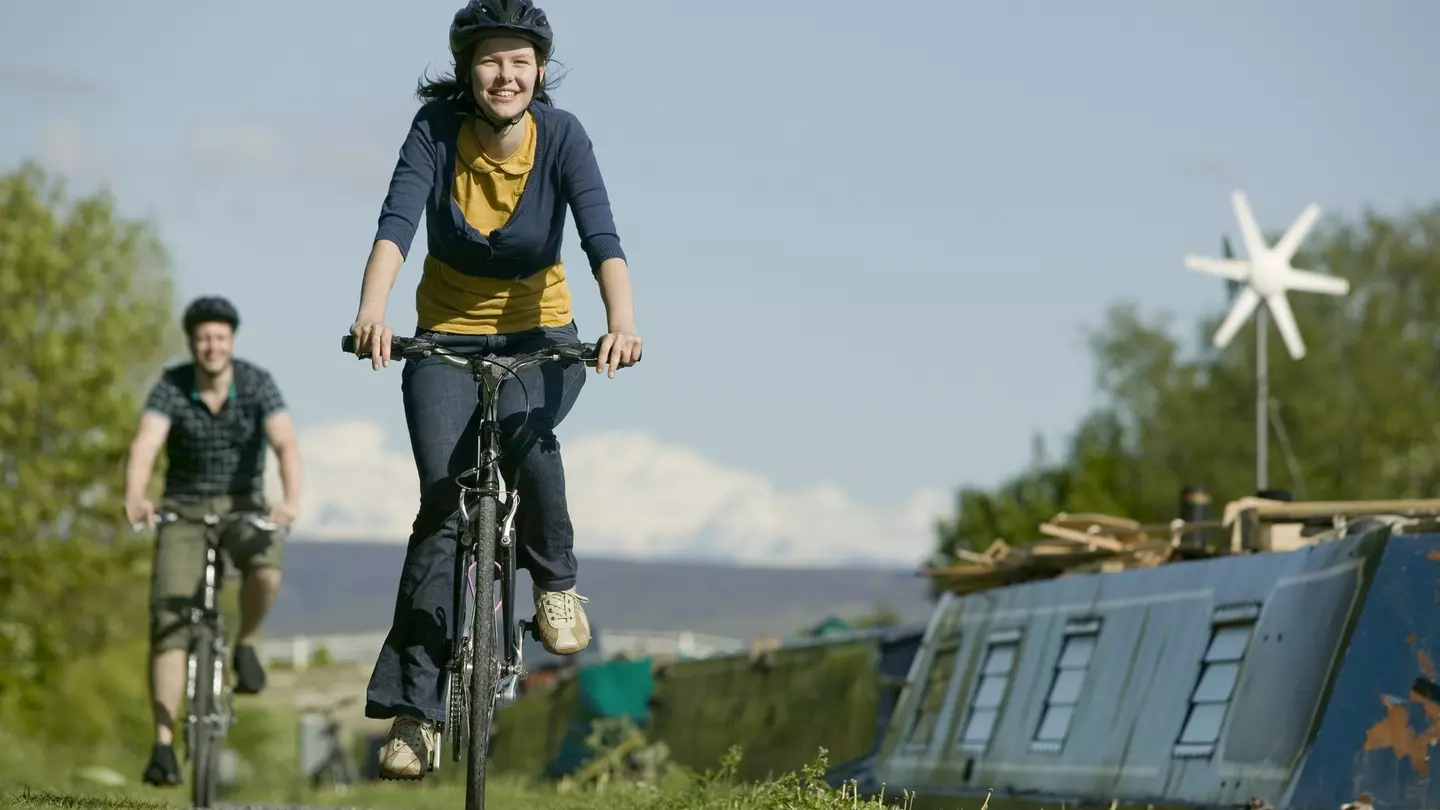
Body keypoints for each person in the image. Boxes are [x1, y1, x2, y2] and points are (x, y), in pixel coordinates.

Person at [346, 0, 642, 780]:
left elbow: (601, 236)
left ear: (539, 70)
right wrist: (372, 311)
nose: (505, 75)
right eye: (489, 60)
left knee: (528, 439)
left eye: (519, 61)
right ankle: (415, 712)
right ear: (466, 69)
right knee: (442, 504)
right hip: (442, 341)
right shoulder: (435, 133)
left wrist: (622, 322)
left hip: (542, 338)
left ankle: (556, 584)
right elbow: (395, 225)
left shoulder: (564, 136)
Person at [123, 295, 303, 786]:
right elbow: (146, 443)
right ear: (192, 342)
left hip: (245, 505)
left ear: (231, 341)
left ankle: (243, 645)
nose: (211, 346)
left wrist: (288, 500)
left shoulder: (257, 382)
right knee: (170, 620)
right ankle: (163, 746)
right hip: (183, 509)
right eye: (203, 337)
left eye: (220, 337)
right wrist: (135, 495)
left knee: (265, 568)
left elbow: (284, 442)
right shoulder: (172, 386)